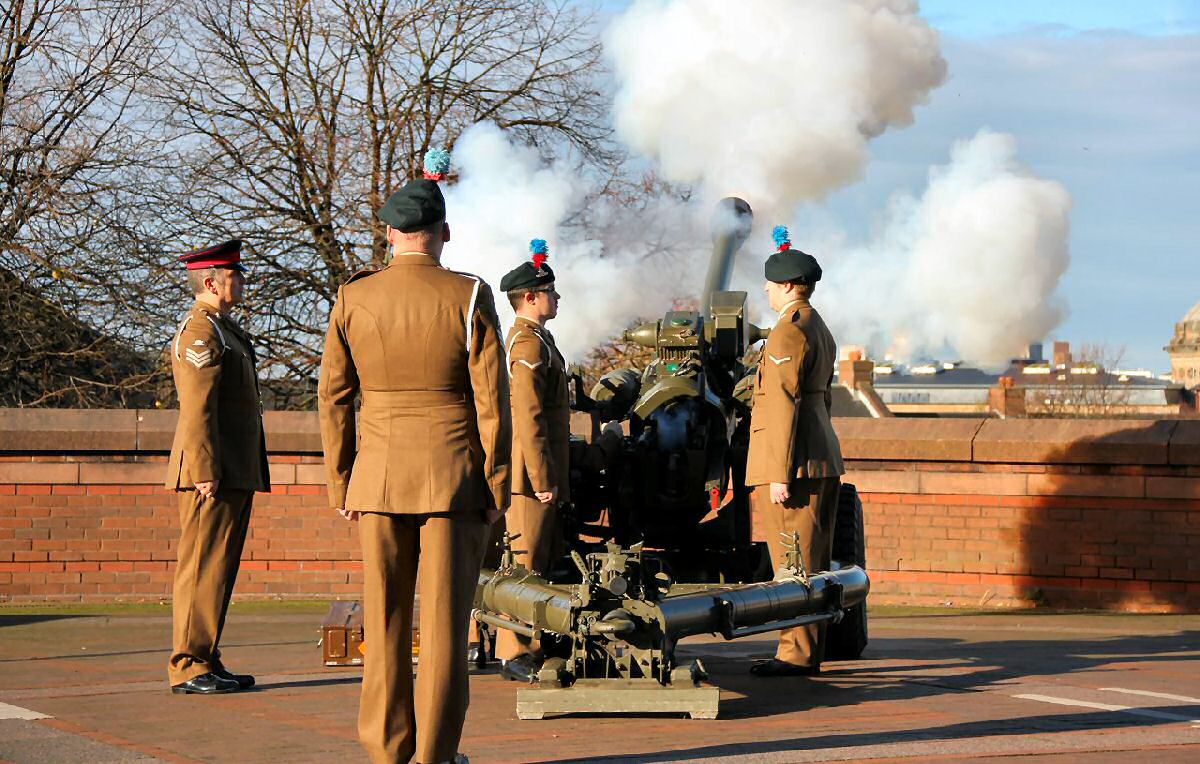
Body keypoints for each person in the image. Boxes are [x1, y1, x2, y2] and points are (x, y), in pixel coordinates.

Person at [318, 149, 510, 764]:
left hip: (375, 477)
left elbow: (333, 398)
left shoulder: (353, 297)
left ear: (391, 234)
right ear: (443, 234)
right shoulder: (469, 296)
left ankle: (385, 749)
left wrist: (340, 481)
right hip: (453, 475)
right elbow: (492, 404)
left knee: (386, 619)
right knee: (448, 627)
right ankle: (435, 754)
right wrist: (496, 486)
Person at [165, 239, 269, 695]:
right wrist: (205, 469)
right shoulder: (201, 333)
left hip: (230, 469)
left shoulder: (223, 330)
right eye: (234, 274)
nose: (242, 280)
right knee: (202, 567)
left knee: (218, 569)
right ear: (211, 281)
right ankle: (188, 664)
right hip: (212, 472)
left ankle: (206, 656)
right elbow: (197, 408)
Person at [744, 226, 845, 678]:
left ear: (787, 285)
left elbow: (783, 402)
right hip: (817, 453)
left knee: (793, 559)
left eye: (769, 284)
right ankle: (805, 650)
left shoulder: (788, 332)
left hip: (795, 464)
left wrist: (779, 472)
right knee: (810, 558)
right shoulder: (815, 325)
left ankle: (796, 655)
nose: (765, 291)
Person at [493, 240, 568, 683]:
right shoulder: (526, 343)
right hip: (528, 475)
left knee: (537, 563)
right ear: (530, 297)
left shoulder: (541, 339)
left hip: (539, 471)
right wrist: (541, 476)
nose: (557, 298)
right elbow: (528, 415)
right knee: (524, 565)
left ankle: (528, 645)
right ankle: (513, 651)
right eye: (551, 292)